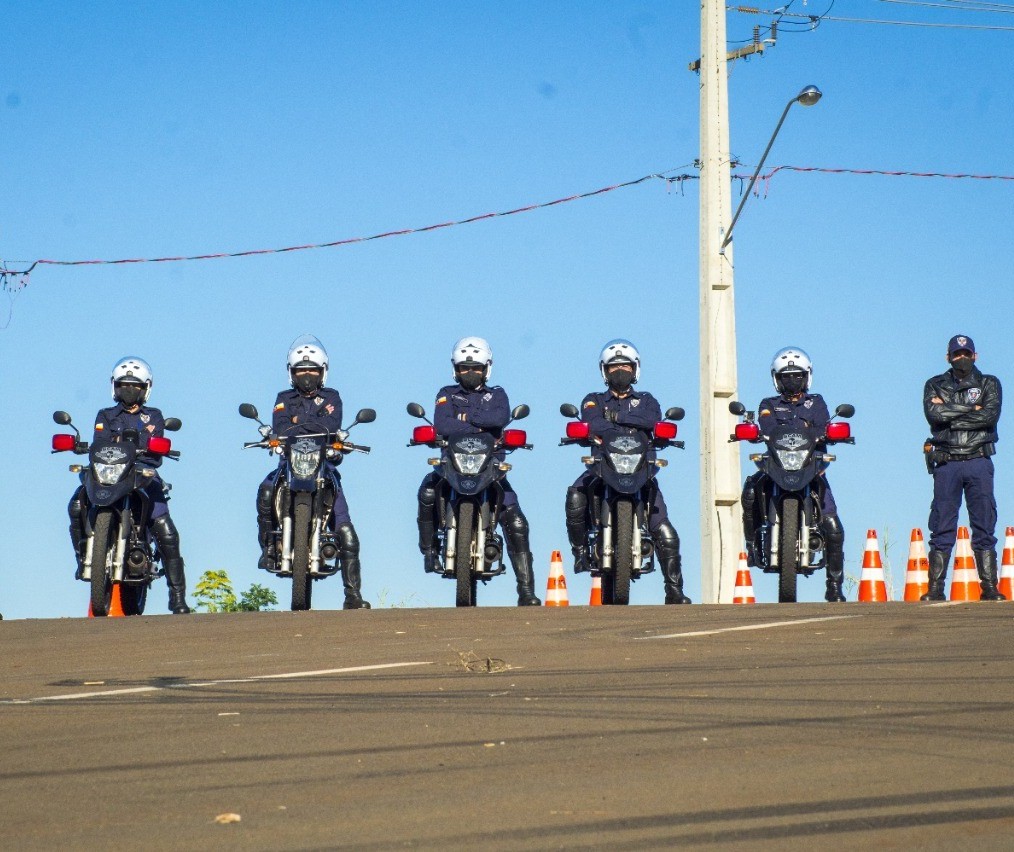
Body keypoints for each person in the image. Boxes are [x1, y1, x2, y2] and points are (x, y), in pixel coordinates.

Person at [417, 337, 541, 606]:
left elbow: (499, 418)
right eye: (464, 368)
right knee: (427, 491)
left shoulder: (497, 394)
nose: (470, 373)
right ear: (455, 369)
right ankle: (429, 551)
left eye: (475, 368)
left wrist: (463, 420)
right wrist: (481, 425)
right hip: (451, 466)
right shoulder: (446, 393)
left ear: (487, 368)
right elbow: (442, 424)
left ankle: (526, 590)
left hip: (491, 467)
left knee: (517, 520)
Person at [564, 339, 691, 604]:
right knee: (575, 497)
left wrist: (615, 420)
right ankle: (579, 551)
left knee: (664, 528)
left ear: (635, 369)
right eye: (613, 367)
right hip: (601, 467)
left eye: (625, 365)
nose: (619, 371)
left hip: (641, 470)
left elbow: (653, 421)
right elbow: (591, 423)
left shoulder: (647, 400)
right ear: (604, 371)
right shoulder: (593, 400)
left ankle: (674, 590)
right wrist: (616, 424)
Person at [68, 356, 191, 614]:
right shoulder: (105, 415)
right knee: (77, 504)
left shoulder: (153, 416)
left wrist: (156, 447)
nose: (129, 390)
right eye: (124, 385)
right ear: (115, 386)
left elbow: (157, 451)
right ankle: (83, 557)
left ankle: (177, 597)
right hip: (106, 474)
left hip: (142, 474)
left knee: (165, 527)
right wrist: (78, 446)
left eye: (135, 386)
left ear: (146, 388)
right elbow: (98, 442)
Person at [256, 335, 370, 609]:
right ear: (291, 373)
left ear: (323, 372)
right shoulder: (283, 398)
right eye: (301, 370)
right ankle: (268, 547)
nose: (306, 375)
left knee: (345, 527)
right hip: (289, 465)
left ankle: (352, 595)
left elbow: (332, 424)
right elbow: (281, 428)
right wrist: (312, 424)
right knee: (265, 490)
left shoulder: (332, 397)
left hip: (323, 466)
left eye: (312, 370)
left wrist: (298, 423)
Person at [741, 347, 847, 602]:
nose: (791, 380)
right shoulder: (768, 404)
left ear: (807, 376)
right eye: (785, 376)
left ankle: (834, 585)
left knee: (832, 524)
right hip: (776, 466)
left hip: (811, 468)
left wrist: (831, 432)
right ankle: (753, 546)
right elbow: (766, 426)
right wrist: (752, 431)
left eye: (797, 375)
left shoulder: (816, 402)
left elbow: (823, 425)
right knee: (750, 493)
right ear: (776, 379)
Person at [922, 334, 1005, 601]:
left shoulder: (989, 383)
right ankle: (935, 589)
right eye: (957, 354)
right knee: (942, 524)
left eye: (967, 354)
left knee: (984, 524)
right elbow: (934, 417)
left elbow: (989, 416)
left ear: (975, 355)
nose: (962, 358)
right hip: (947, 463)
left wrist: (949, 412)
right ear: (948, 357)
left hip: (978, 460)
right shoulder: (934, 384)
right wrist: (971, 409)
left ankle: (989, 587)